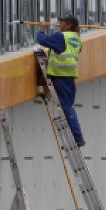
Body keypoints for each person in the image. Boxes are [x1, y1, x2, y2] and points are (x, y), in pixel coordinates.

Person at [35, 14, 85, 147]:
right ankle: (75, 135)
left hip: (60, 74)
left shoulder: (61, 37)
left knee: (66, 107)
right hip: (70, 75)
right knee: (69, 106)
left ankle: (78, 137)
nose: (60, 24)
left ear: (68, 25)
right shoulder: (77, 39)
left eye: (62, 22)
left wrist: (41, 28)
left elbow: (42, 40)